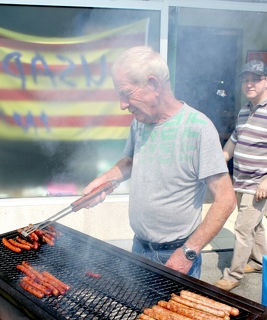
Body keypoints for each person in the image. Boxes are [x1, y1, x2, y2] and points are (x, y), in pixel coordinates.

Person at [84, 46, 236, 279]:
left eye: (126, 93)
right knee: (140, 314)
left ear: (154, 85)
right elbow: (132, 161)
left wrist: (188, 252)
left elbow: (225, 199)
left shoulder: (198, 128)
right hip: (139, 248)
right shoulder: (140, 122)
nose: (122, 104)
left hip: (176, 254)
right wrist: (104, 181)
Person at [214, 59, 267, 291]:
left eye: (255, 80)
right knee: (254, 226)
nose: (249, 84)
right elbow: (234, 141)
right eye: (246, 80)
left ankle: (233, 275)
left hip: (259, 183)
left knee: (242, 228)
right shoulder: (245, 109)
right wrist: (218, 160)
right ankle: (260, 261)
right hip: (240, 179)